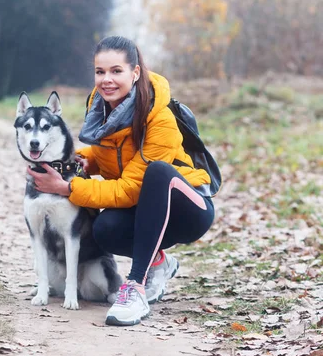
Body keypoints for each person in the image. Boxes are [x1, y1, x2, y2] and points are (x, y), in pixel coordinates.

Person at [28, 35, 215, 326]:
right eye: (100, 72)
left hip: (187, 208)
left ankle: (136, 287)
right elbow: (112, 156)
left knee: (158, 172)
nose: (107, 80)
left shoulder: (159, 119)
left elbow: (131, 188)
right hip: (145, 208)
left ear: (135, 72)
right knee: (104, 229)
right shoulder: (101, 109)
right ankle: (159, 263)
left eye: (117, 71)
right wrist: (77, 160)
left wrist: (68, 187)